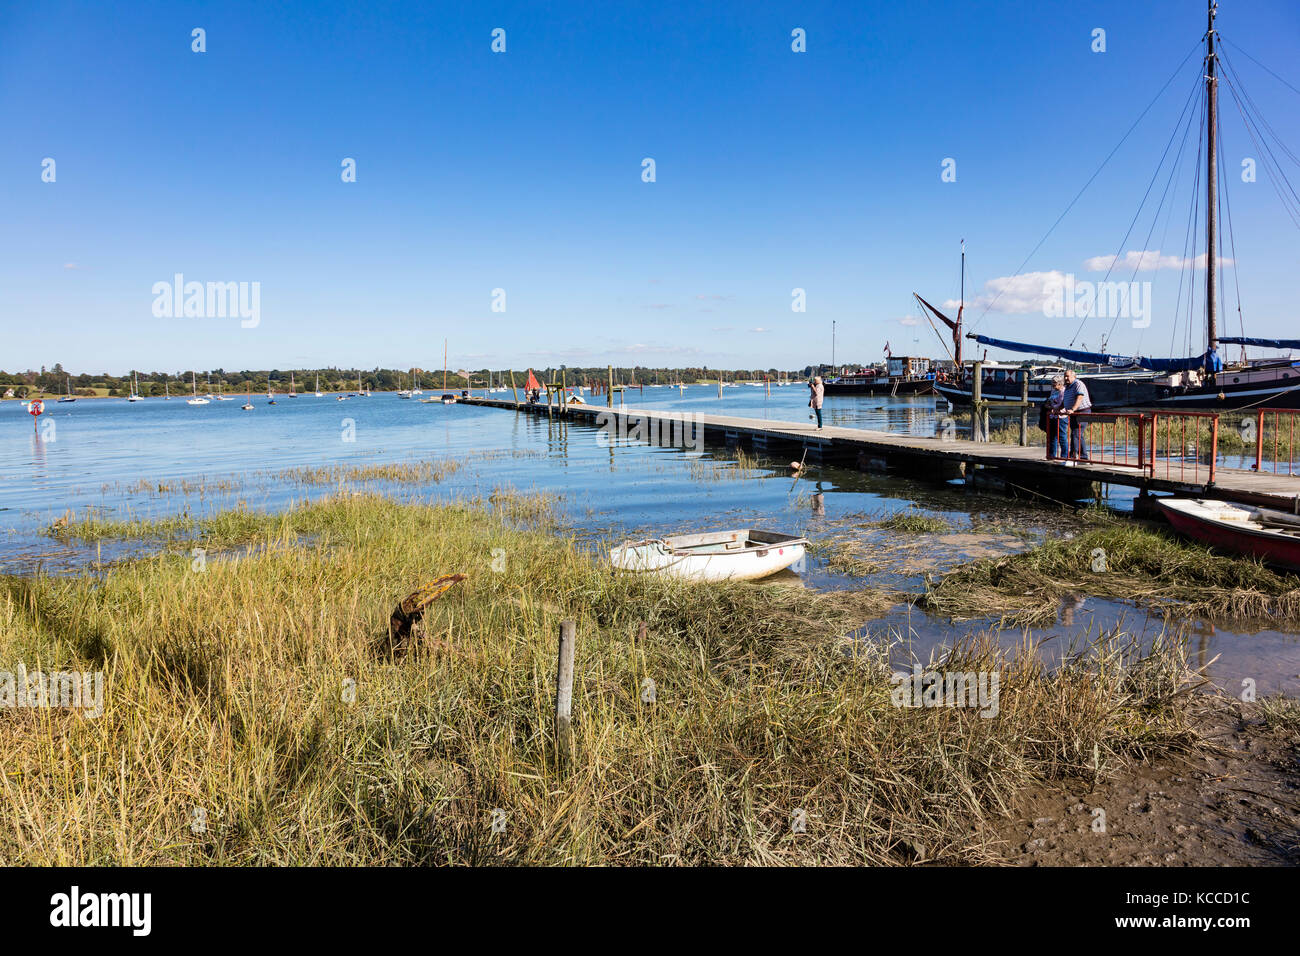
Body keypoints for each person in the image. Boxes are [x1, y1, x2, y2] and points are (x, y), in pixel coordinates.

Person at [1062, 369, 1092, 464]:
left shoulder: (1078, 384)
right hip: (1074, 413)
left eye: (1068, 376)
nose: (1066, 378)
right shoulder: (1067, 386)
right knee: (1078, 434)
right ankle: (1083, 458)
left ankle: (1072, 458)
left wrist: (1073, 409)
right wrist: (1058, 409)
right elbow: (1065, 400)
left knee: (1075, 434)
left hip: (1082, 412)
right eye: (1065, 376)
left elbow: (1079, 397)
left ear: (1074, 376)